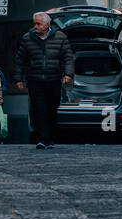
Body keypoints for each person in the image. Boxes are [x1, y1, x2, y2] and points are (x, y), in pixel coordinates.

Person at [13, 11, 75, 148]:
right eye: (34, 23)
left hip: (54, 80)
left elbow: (68, 58)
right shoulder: (27, 38)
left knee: (52, 109)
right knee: (39, 109)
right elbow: (20, 60)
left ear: (47, 25)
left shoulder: (60, 37)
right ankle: (42, 138)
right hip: (35, 80)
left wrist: (68, 74)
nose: (35, 26)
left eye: (38, 24)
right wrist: (18, 78)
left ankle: (50, 137)